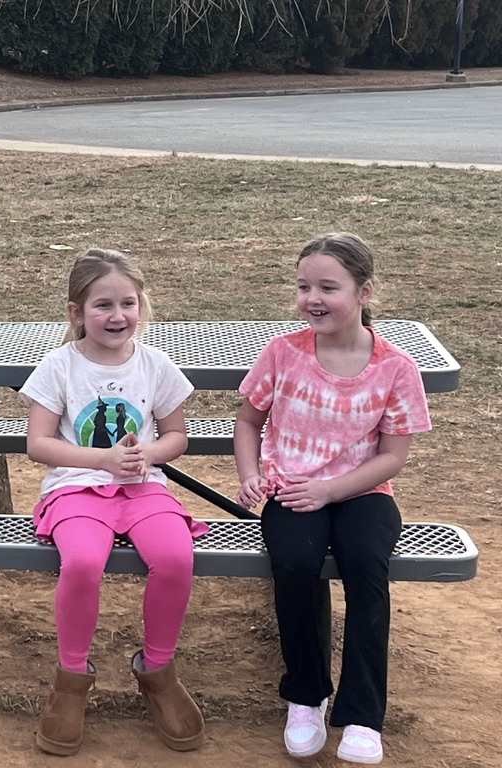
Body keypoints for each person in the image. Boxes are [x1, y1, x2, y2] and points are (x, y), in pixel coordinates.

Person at [233, 233, 431, 765]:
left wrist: (332, 489)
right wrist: (251, 474)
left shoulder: (395, 366)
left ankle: (364, 714)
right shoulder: (283, 352)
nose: (312, 298)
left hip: (364, 491)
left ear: (364, 292)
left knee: (367, 563)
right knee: (295, 562)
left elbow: (392, 456)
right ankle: (305, 695)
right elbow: (249, 421)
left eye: (327, 287)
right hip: (292, 489)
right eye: (303, 287)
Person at [19, 247, 209, 756]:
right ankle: (71, 679)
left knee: (174, 557)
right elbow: (38, 444)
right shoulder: (59, 366)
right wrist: (101, 460)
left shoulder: (155, 365)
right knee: (82, 562)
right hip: (76, 489)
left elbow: (176, 436)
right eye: (103, 305)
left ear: (141, 306)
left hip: (144, 488)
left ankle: (158, 670)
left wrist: (147, 453)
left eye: (128, 302)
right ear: (76, 312)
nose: (117, 315)